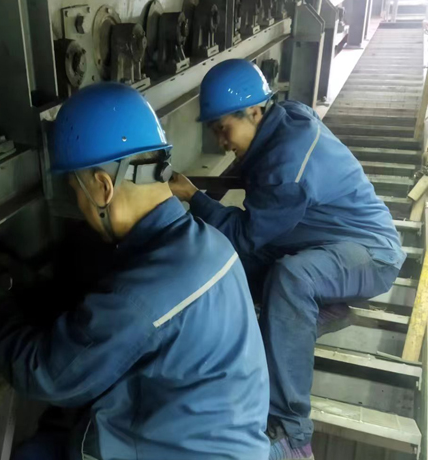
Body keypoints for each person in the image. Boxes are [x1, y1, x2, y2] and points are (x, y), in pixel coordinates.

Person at [0, 82, 270, 460]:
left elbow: (48, 375)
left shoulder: (141, 296)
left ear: (102, 186)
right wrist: (31, 287)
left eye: (75, 188)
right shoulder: (211, 243)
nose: (78, 204)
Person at [170, 59, 406, 460]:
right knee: (238, 267)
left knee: (292, 277)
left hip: (372, 254)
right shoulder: (287, 116)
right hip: (326, 241)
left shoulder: (287, 168)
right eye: (214, 131)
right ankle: (323, 309)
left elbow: (244, 236)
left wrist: (194, 197)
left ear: (255, 112)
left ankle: (291, 431)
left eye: (224, 129)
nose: (221, 142)